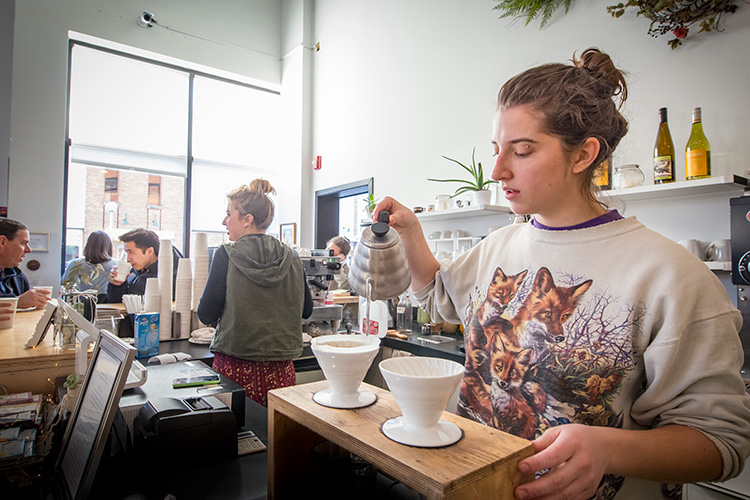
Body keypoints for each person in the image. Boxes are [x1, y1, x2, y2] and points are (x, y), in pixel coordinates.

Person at [374, 48, 750, 499]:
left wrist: (610, 450)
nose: (497, 170)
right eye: (497, 150)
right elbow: (437, 295)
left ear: (583, 155)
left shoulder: (671, 276)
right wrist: (412, 232)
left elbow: (722, 442)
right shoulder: (499, 245)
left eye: (523, 150)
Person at [197, 179, 313, 407]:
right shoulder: (293, 257)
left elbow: (206, 314)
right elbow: (306, 310)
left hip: (235, 367)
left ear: (247, 219)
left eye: (229, 214)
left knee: (239, 435)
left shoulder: (226, 254)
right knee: (275, 434)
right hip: (280, 370)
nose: (224, 221)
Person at [0, 218, 48, 309]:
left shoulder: (18, 276)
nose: (28, 250)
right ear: (2, 242)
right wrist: (16, 303)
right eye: (23, 243)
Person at [61, 230, 116, 303]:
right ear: (108, 246)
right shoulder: (115, 264)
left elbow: (64, 285)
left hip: (80, 302)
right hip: (107, 303)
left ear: (88, 245)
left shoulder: (75, 264)